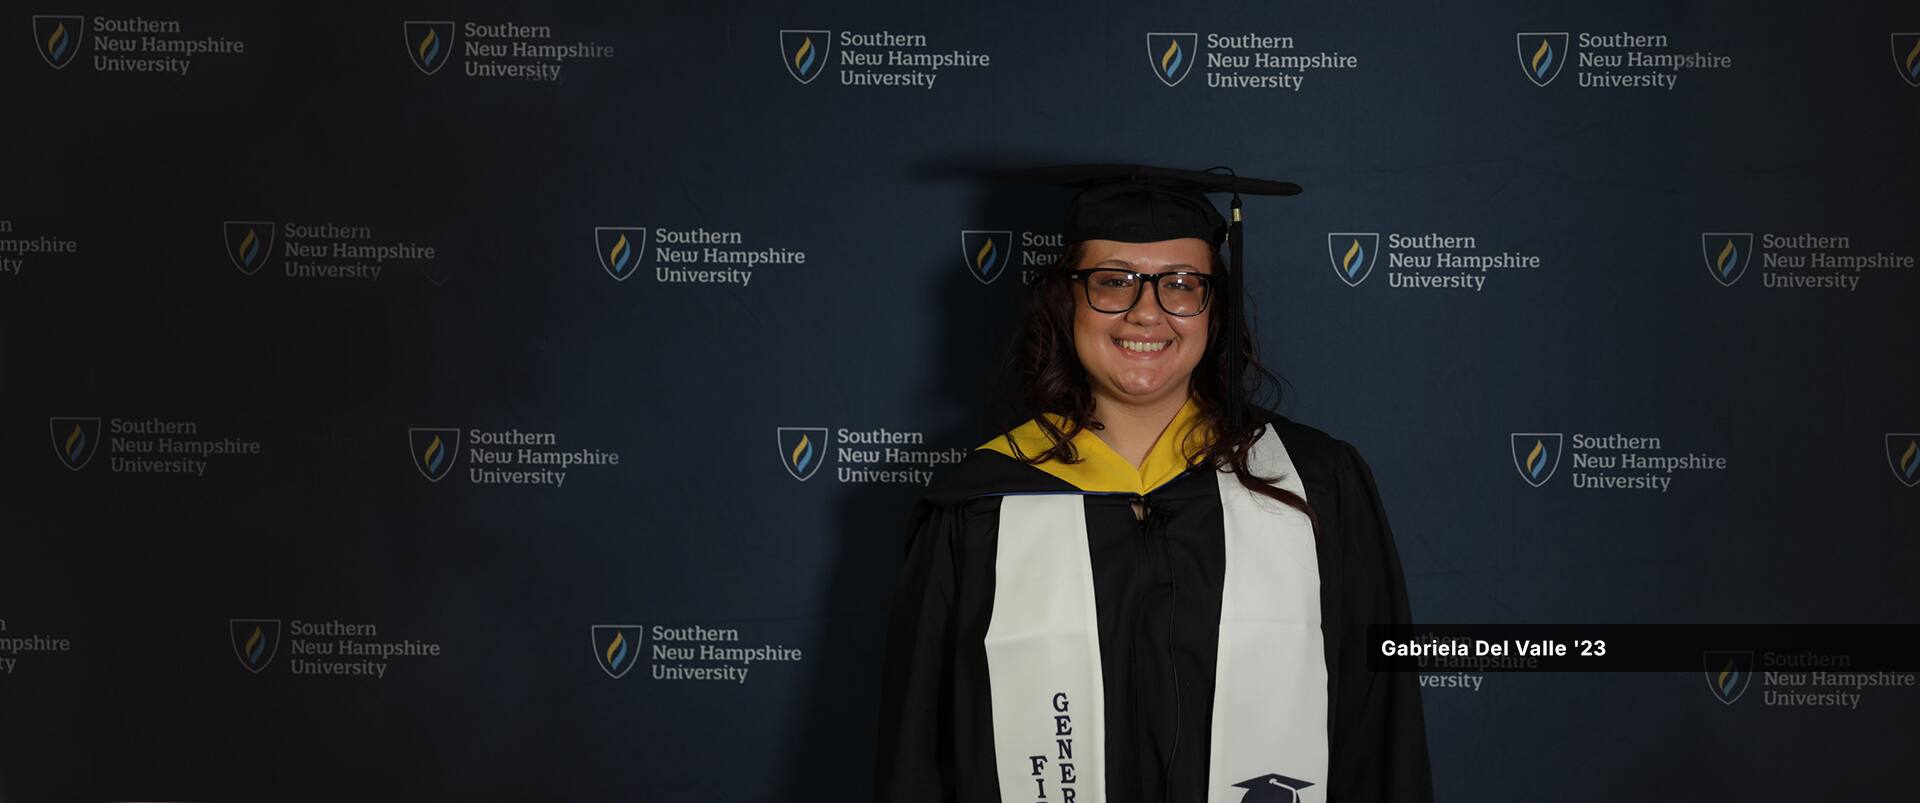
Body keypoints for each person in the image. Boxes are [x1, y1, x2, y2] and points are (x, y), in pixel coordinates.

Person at [874, 165, 1433, 803]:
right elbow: (921, 756)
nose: (1147, 313)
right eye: (1113, 282)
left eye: (1181, 284)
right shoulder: (981, 503)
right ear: (1067, 300)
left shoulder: (1314, 481)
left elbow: (1379, 729)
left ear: (1212, 307)